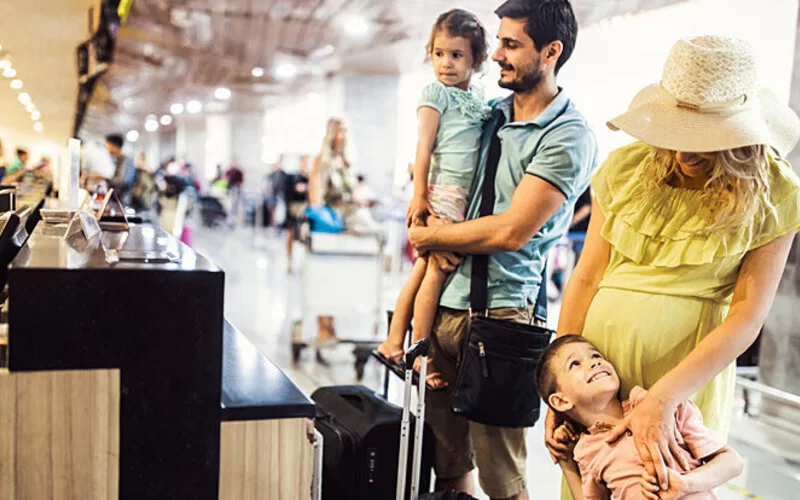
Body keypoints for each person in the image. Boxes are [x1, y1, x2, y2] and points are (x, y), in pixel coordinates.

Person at [548, 35, 800, 499]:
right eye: (676, 134)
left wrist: (665, 397)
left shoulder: (775, 194)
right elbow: (585, 276)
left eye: (702, 140)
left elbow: (748, 313)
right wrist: (558, 390)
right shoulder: (627, 169)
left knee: (668, 483)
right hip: (600, 362)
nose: (684, 154)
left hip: (688, 369)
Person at [407, 1, 597, 498]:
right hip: (444, 306)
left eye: (512, 45)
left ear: (551, 51)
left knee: (503, 482)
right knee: (448, 468)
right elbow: (438, 167)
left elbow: (512, 231)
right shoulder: (488, 114)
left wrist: (430, 238)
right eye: (500, 42)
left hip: (504, 320)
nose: (496, 56)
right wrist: (423, 207)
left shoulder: (568, 135)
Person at [375, 8, 491, 388]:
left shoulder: (477, 99)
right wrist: (420, 196)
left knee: (424, 269)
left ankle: (395, 341)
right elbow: (423, 149)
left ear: (476, 59)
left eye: (457, 55)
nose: (446, 63)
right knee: (435, 270)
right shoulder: (434, 94)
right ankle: (419, 355)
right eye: (439, 53)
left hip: (460, 199)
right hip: (442, 195)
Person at [537, 335, 744, 500]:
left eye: (596, 356)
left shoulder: (662, 410)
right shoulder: (587, 450)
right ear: (561, 401)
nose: (593, 363)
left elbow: (733, 463)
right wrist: (566, 462)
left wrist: (685, 484)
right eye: (575, 364)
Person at [308, 119, 357, 342]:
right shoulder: (322, 161)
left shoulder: (346, 162)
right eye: (339, 131)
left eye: (345, 131)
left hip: (345, 224)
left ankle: (332, 323)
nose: (343, 136)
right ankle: (322, 325)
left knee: (339, 278)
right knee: (324, 276)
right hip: (328, 226)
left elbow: (351, 193)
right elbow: (316, 196)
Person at [285, 156, 310, 273]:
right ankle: (290, 260)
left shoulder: (310, 178)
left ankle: (305, 261)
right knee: (290, 234)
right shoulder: (293, 177)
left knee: (305, 235)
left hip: (305, 209)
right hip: (293, 209)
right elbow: (289, 192)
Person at [106, 134, 136, 205]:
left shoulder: (124, 160)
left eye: (108, 145)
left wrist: (105, 178)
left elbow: (121, 180)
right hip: (120, 198)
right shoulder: (119, 159)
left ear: (114, 146)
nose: (107, 148)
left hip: (122, 199)